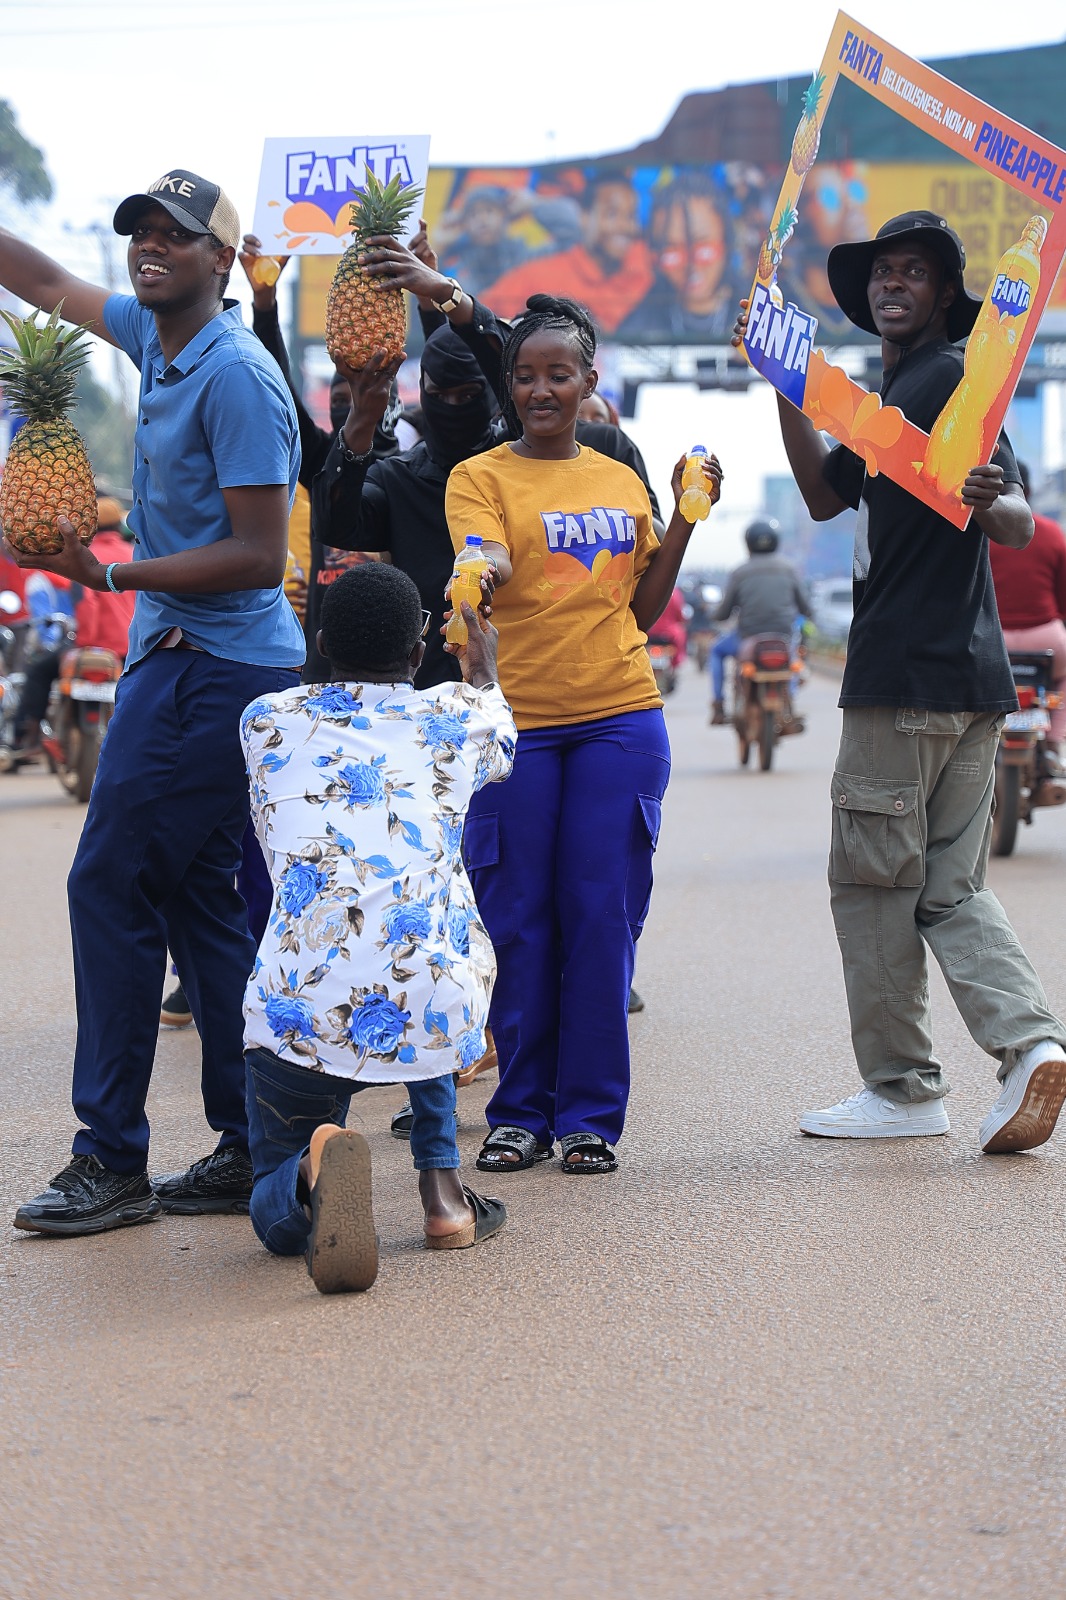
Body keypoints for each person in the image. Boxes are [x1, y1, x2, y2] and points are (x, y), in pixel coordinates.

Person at [3, 168, 305, 1235]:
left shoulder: (238, 375)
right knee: (197, 901)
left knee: (108, 882)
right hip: (184, 658)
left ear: (221, 261)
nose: (151, 246)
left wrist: (112, 573)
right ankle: (251, 1140)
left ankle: (110, 1158)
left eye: (175, 235)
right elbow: (45, 280)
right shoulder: (154, 334)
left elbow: (262, 556)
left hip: (212, 664)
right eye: (141, 231)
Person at [736, 210, 1066, 1150]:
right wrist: (785, 385)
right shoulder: (902, 396)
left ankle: (903, 1089)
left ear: (944, 296)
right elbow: (823, 496)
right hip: (970, 683)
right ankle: (1032, 1047)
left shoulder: (945, 376)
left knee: (873, 884)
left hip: (904, 680)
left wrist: (992, 499)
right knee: (949, 889)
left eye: (914, 271)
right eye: (883, 270)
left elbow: (1012, 519)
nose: (892, 282)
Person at [445, 294, 722, 1174]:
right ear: (510, 384)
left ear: (587, 382)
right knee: (518, 919)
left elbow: (644, 608)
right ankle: (519, 1114)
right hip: (518, 727)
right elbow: (486, 551)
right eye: (526, 376)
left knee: (600, 918)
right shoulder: (479, 476)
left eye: (558, 375)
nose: (541, 390)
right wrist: (477, 571)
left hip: (619, 717)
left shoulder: (618, 479)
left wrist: (684, 519)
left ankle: (591, 1120)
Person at [240, 563, 514, 1291]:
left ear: (321, 643)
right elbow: (499, 731)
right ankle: (443, 1197)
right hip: (431, 997)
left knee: (271, 1201)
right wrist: (481, 666)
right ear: (418, 654)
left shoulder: (266, 719)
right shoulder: (457, 716)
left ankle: (306, 1171)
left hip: (302, 1000)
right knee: (422, 964)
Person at [479, 172, 654, 335]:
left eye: (631, 216)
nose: (625, 226)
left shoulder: (641, 274)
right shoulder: (538, 275)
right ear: (584, 217)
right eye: (612, 214)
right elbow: (479, 319)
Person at [988, 460, 1066, 774]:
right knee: (1062, 682)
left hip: (992, 639)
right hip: (1045, 639)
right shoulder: (1052, 534)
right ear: (1026, 492)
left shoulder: (977, 537)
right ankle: (1054, 745)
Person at [710, 518, 811, 726]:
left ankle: (719, 705)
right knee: (792, 662)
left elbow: (724, 612)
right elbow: (805, 608)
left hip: (747, 637)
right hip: (783, 637)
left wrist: (715, 615)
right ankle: (790, 702)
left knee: (716, 651)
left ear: (748, 543)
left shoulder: (740, 572)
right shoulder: (789, 569)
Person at [618, 173, 735, 342]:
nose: (691, 265)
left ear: (726, 240)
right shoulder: (638, 328)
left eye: (701, 245)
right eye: (673, 250)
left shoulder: (757, 312)